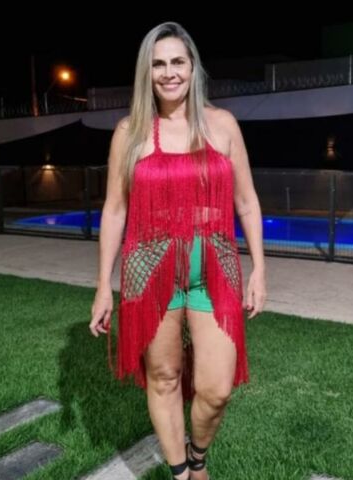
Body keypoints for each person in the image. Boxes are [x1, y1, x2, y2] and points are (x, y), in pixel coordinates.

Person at [89, 21, 267, 480]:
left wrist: (259, 270)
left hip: (215, 268)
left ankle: (198, 454)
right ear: (146, 73)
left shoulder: (222, 125)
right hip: (149, 270)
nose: (169, 73)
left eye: (177, 62)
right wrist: (103, 286)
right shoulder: (129, 132)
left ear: (193, 67)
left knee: (216, 389)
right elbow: (114, 210)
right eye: (158, 64)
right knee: (164, 376)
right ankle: (182, 472)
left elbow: (247, 202)